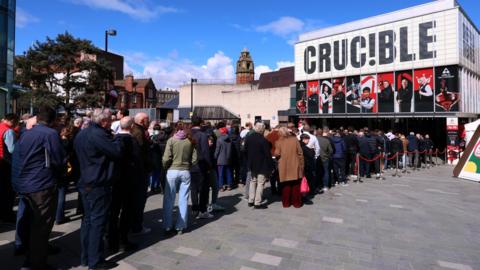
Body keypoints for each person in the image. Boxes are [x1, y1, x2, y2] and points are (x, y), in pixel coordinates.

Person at [11, 106, 66, 270]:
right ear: (53, 120)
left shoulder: (25, 133)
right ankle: (36, 263)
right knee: (41, 225)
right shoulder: (50, 134)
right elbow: (58, 159)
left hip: (25, 183)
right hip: (40, 185)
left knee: (30, 221)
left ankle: (32, 255)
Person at [74, 108, 123, 270]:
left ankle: (86, 258)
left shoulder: (82, 133)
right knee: (97, 223)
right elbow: (116, 152)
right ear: (103, 121)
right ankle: (95, 261)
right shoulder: (98, 134)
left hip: (86, 181)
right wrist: (118, 139)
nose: (111, 123)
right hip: (97, 183)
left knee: (88, 221)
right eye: (109, 120)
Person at [108, 116, 138, 253]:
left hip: (115, 180)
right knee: (126, 210)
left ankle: (111, 240)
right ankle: (123, 240)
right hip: (128, 180)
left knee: (113, 211)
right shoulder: (132, 141)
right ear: (131, 126)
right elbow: (138, 162)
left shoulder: (113, 140)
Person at [162, 122, 197, 235]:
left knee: (169, 199)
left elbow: (166, 158)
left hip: (172, 170)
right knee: (183, 199)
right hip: (185, 171)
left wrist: (165, 166)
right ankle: (180, 226)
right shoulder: (190, 141)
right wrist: (188, 165)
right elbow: (195, 159)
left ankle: (167, 226)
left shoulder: (171, 140)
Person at [130, 112, 152, 235]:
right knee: (139, 200)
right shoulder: (138, 133)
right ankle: (137, 226)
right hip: (140, 172)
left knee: (136, 200)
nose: (149, 122)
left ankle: (135, 224)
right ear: (142, 120)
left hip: (138, 171)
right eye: (147, 120)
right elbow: (140, 153)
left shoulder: (137, 130)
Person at [190, 115, 214, 219]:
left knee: (193, 188)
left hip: (190, 165)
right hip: (201, 164)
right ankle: (202, 210)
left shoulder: (188, 133)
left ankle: (194, 209)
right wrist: (209, 166)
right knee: (203, 189)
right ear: (200, 123)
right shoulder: (202, 135)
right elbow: (205, 152)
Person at [245, 122, 273, 209]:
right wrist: (271, 166)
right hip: (262, 164)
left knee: (253, 182)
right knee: (260, 183)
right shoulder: (263, 140)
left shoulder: (249, 138)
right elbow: (268, 154)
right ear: (262, 129)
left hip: (252, 164)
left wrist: (248, 161)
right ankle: (257, 202)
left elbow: (245, 150)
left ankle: (250, 200)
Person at [275, 127, 304, 208]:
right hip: (295, 164)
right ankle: (297, 203)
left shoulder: (279, 142)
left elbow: (277, 153)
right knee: (296, 185)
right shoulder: (295, 140)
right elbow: (300, 153)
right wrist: (302, 165)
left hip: (284, 166)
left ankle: (286, 203)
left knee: (286, 186)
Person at [0, 113, 18, 223]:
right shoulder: (9, 131)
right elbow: (12, 149)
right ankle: (7, 214)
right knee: (8, 191)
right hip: (6, 163)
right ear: (12, 121)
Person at [215, 127, 233, 191]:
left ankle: (221, 187)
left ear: (222, 132)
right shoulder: (230, 140)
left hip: (220, 159)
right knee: (229, 173)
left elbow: (217, 150)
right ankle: (229, 186)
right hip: (228, 158)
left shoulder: (219, 140)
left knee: (221, 174)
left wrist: (215, 156)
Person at [299, 133, 315, 199]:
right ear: (304, 139)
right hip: (306, 165)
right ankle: (306, 192)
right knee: (307, 179)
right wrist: (312, 150)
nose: (309, 141)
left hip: (303, 165)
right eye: (308, 139)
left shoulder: (300, 145)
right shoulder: (304, 147)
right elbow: (311, 155)